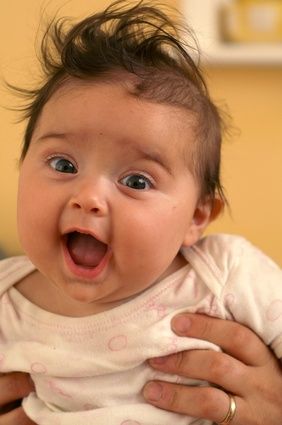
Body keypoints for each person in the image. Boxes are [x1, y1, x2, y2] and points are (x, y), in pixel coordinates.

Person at [0, 0, 281, 424]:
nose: (88, 196)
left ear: (196, 219)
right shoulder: (7, 300)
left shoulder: (224, 274)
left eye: (136, 181)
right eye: (63, 165)